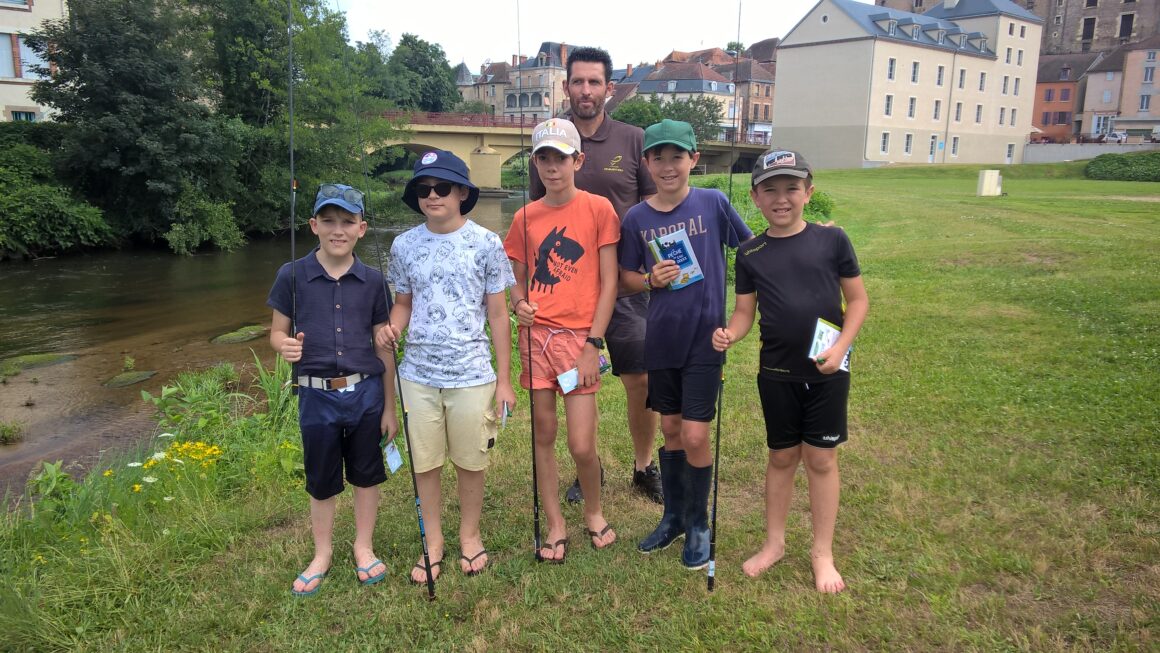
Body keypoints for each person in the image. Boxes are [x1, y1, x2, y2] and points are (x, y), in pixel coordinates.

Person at [712, 148, 869, 593]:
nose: (782, 198)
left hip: (828, 368)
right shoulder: (749, 252)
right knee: (781, 456)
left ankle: (823, 553)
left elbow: (857, 301)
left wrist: (840, 347)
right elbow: (745, 314)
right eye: (770, 190)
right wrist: (730, 333)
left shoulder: (832, 240)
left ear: (808, 192)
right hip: (775, 372)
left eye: (792, 188)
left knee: (821, 458)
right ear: (756, 198)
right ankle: (774, 543)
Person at [530, 46, 662, 504]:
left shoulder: (633, 139)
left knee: (638, 377)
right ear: (566, 87)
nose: (586, 90)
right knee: (570, 383)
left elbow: (656, 207)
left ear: (609, 87)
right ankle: (588, 465)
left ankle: (644, 464)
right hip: (563, 292)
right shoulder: (550, 139)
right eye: (578, 82)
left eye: (594, 82)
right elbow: (534, 219)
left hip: (622, 285)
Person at [375, 151, 516, 582]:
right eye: (423, 189)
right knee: (426, 462)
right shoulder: (403, 245)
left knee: (472, 461)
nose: (432, 196)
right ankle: (432, 541)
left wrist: (505, 380)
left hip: (473, 373)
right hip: (416, 375)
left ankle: (469, 535)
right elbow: (403, 304)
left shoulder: (487, 243)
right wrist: (390, 329)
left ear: (461, 193)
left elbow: (497, 314)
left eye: (441, 188)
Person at [618, 119, 753, 570]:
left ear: (694, 159)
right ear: (647, 163)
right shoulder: (636, 217)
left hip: (705, 341)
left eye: (678, 156)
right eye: (659, 157)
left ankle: (699, 523)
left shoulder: (714, 203)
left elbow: (751, 251)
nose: (668, 165)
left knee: (695, 433)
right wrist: (648, 279)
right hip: (661, 341)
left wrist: (809, 234)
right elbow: (626, 278)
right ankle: (672, 517)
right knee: (672, 430)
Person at [268, 183, 399, 596]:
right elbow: (275, 332)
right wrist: (283, 346)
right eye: (328, 221)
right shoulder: (291, 275)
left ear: (362, 228)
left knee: (366, 474)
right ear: (313, 225)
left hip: (366, 395)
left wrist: (390, 408)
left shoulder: (375, 281)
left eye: (347, 221)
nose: (337, 229)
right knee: (321, 478)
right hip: (315, 396)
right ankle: (321, 553)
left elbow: (384, 347)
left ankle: (364, 546)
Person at [505, 117, 619, 559]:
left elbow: (609, 283)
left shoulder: (598, 209)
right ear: (535, 163)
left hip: (578, 344)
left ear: (578, 160)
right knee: (544, 433)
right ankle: (554, 522)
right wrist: (519, 304)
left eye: (561, 158)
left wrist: (594, 343)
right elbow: (514, 279)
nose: (552, 167)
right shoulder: (524, 218)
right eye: (544, 158)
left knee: (581, 443)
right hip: (536, 342)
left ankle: (593, 510)